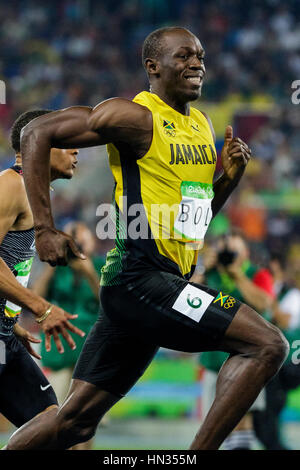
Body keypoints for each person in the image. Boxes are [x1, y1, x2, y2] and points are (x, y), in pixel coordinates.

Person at [5, 26, 288, 451]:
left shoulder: (200, 125)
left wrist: (227, 181)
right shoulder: (134, 116)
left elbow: (194, 222)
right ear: (152, 67)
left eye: (201, 56)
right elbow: (35, 133)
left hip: (154, 288)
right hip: (141, 281)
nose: (197, 64)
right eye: (184, 56)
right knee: (268, 344)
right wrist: (45, 229)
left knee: (76, 424)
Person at [0, 109, 85, 430]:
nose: (76, 150)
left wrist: (9, 317)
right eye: (66, 142)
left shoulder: (32, 194)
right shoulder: (11, 185)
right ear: (38, 143)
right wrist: (41, 308)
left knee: (50, 430)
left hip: (6, 335)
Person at [196, 232, 275, 450]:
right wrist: (204, 269)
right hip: (213, 361)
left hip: (247, 361)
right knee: (211, 427)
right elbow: (182, 297)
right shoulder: (210, 274)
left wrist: (237, 274)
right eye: (224, 252)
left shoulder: (257, 274)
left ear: (246, 253)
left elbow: (265, 303)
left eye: (234, 251)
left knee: (241, 420)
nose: (229, 256)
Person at [33, 221, 105, 450]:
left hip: (90, 347)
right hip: (60, 349)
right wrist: (52, 262)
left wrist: (90, 273)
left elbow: (108, 302)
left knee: (85, 416)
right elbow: (35, 297)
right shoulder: (57, 270)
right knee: (56, 413)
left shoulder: (101, 265)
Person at [253, 253, 300, 450]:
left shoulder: (294, 297)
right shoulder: (288, 294)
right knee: (266, 422)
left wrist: (269, 296)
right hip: (283, 363)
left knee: (266, 423)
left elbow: (284, 321)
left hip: (287, 364)